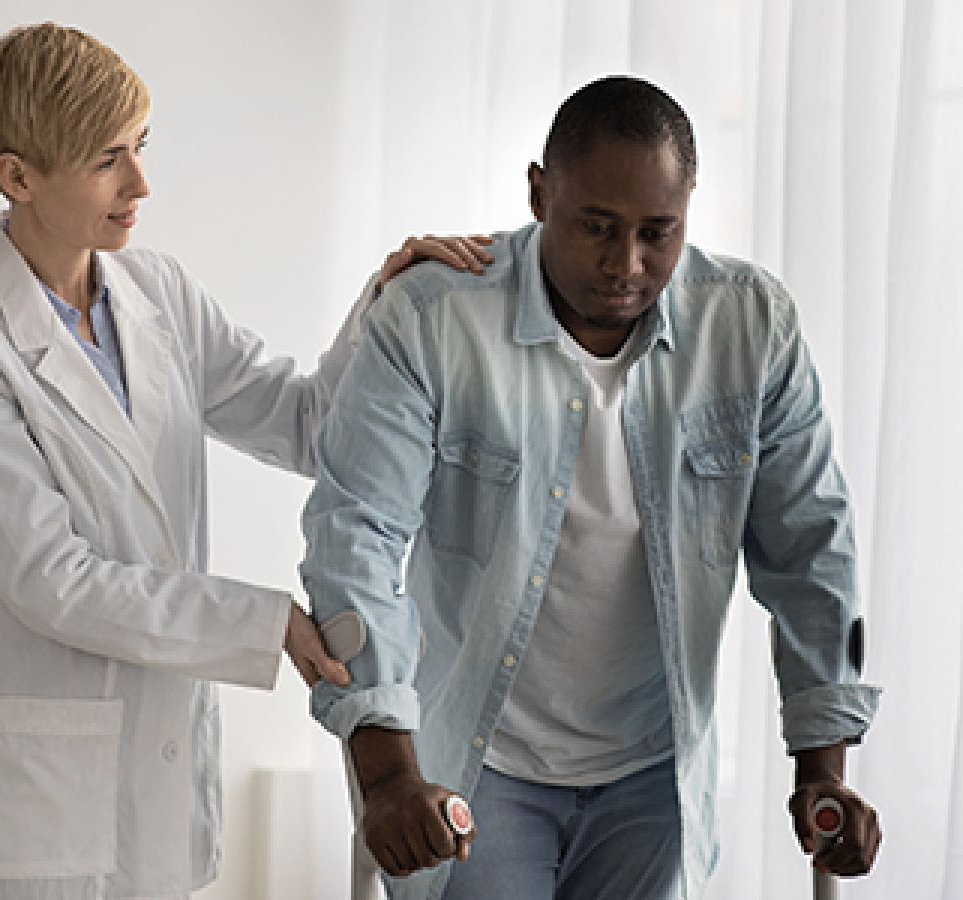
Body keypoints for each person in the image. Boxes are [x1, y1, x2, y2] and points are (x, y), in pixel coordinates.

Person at [0, 23, 492, 900]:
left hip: (163, 777)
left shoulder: (157, 294)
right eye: (107, 160)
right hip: (41, 810)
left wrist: (387, 302)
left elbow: (304, 423)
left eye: (139, 147)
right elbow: (54, 582)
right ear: (17, 175)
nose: (141, 183)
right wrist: (268, 622)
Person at [300, 75, 882, 900]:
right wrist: (387, 769)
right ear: (540, 193)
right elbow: (355, 534)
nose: (627, 264)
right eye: (597, 227)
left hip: (653, 770)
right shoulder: (433, 316)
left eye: (658, 232)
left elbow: (811, 546)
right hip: (478, 760)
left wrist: (823, 770)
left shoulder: (750, 326)